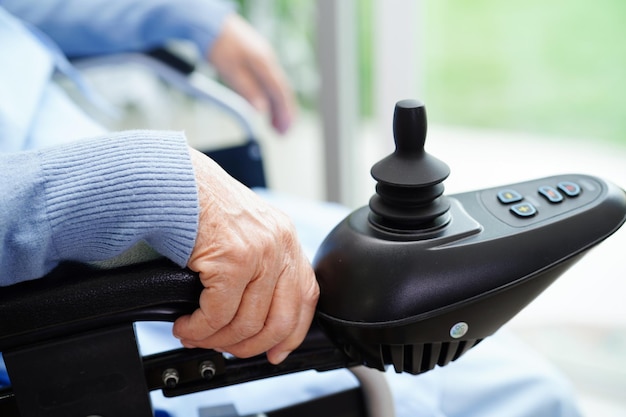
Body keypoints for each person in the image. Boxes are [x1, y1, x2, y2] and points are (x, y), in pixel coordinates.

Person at [0, 1, 583, 416]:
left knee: (512, 367)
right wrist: (150, 184)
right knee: (525, 395)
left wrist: (188, 16)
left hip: (97, 176)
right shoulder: (139, 189)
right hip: (69, 265)